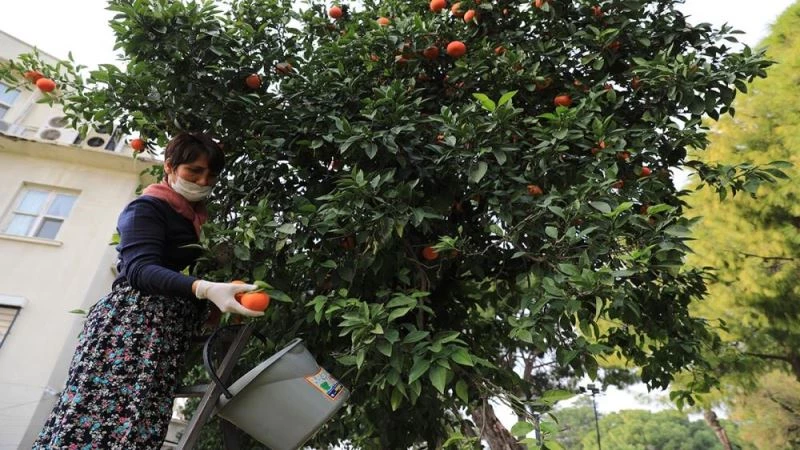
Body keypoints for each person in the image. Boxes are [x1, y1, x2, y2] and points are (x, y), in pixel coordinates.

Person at [33, 132, 262, 449]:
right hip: (131, 330)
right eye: (194, 171)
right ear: (170, 166)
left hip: (160, 336)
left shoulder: (189, 216)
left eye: (210, 175)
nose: (203, 180)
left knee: (139, 423)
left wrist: (202, 304)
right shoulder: (146, 208)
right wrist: (203, 288)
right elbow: (140, 270)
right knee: (102, 422)